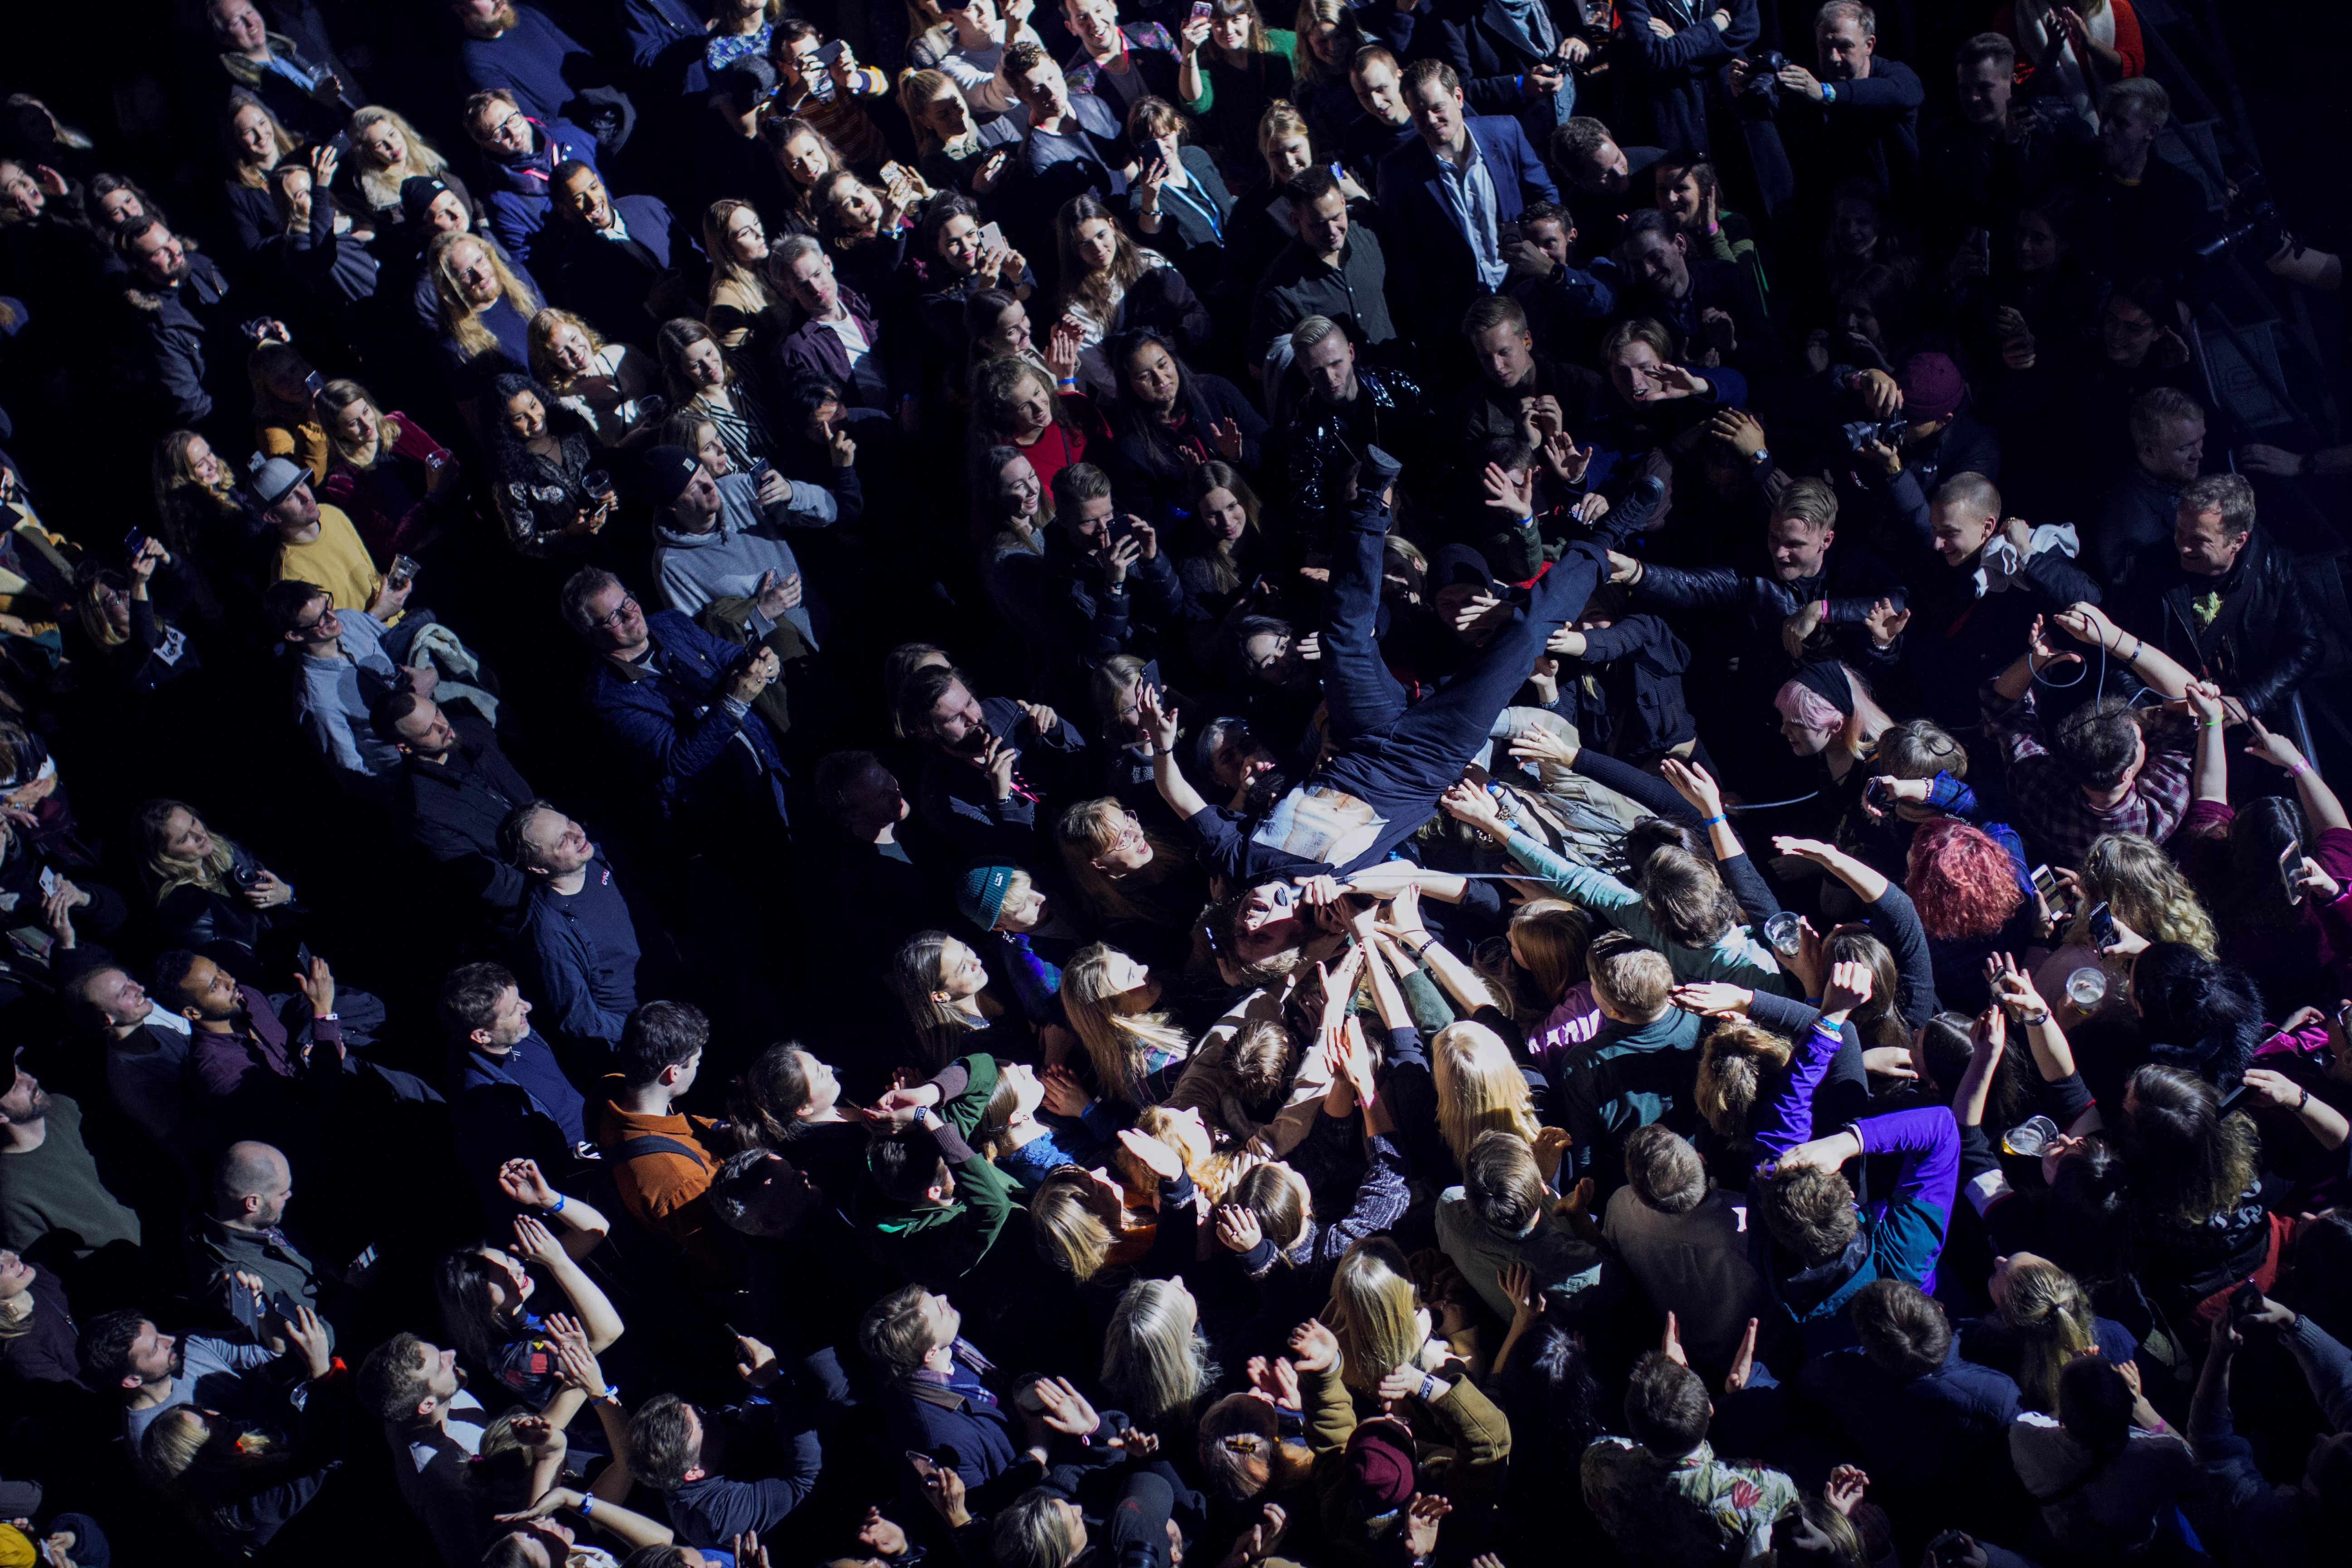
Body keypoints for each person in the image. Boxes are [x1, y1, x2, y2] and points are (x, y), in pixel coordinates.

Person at [564, 568, 792, 835]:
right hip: (727, 808)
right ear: (592, 634)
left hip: (766, 759)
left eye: (627, 601)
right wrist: (734, 702)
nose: (630, 614)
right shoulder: (609, 698)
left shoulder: (670, 623)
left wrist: (764, 664)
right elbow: (680, 761)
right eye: (614, 616)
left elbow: (729, 656)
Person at [2112, 473, 2323, 727]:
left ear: (2238, 541)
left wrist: (2250, 700)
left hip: (2243, 724)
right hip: (2172, 723)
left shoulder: (2272, 568)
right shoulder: (2147, 570)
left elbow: (2307, 647)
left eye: (2199, 540)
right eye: (2180, 532)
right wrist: (2150, 711)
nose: (2183, 547)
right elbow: (2117, 652)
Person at [1376, 59, 1558, 343]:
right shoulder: (1398, 170)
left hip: (1525, 291)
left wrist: (1543, 252)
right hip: (1460, 315)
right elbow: (1402, 255)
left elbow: (1545, 197)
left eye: (1438, 108)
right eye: (1419, 113)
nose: (1430, 121)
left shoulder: (1506, 133)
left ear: (1458, 98)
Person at [597, 1001, 735, 1280]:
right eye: (696, 1061)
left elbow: (671, 1128)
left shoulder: (610, 1093)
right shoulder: (681, 1182)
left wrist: (716, 1128)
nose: (697, 1067)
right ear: (673, 1073)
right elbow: (728, 1257)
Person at [380, 692, 538, 919]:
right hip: (537, 897)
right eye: (429, 730)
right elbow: (490, 882)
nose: (444, 726)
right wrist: (546, 890)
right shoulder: (423, 810)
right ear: (405, 748)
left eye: (437, 712)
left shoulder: (473, 731)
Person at [504, 801, 643, 1058]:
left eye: (568, 822)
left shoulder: (596, 855)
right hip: (642, 1029)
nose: (578, 835)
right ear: (539, 868)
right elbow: (580, 1019)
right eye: (562, 841)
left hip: (668, 987)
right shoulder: (549, 931)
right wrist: (644, 1032)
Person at [444, 964, 592, 1200]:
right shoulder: (486, 1099)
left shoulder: (514, 1033)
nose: (528, 1007)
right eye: (514, 1010)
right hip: (587, 1174)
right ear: (482, 1035)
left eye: (520, 999)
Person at [0, 1064, 142, 1293]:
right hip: (128, 1283)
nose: (30, 1079)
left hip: (165, 1242)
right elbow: (47, 1270)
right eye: (16, 1085)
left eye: (22, 1070)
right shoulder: (10, 1189)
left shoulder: (64, 1107)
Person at [1248, 166, 1395, 360]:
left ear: (1344, 202)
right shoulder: (1280, 289)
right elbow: (1262, 365)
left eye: (1336, 218)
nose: (1332, 231)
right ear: (1296, 221)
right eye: (1318, 224)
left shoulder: (1367, 235)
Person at [464, 89, 604, 273]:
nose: (513, 133)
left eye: (512, 119)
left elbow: (615, 178)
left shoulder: (569, 136)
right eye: (499, 133)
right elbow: (536, 268)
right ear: (485, 144)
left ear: (518, 109)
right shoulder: (503, 204)